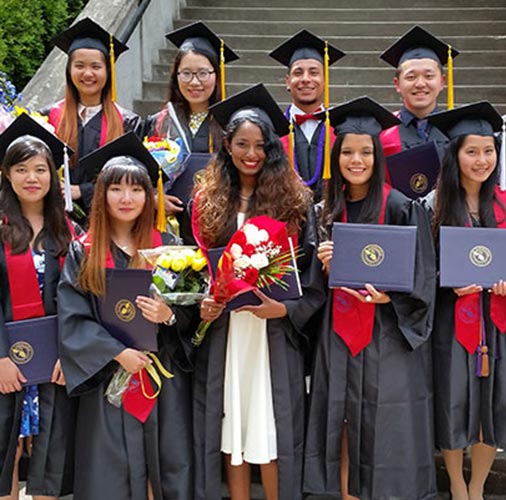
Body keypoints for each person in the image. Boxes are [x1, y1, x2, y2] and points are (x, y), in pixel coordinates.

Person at [186, 84, 325, 500]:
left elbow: (311, 275)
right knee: (232, 425)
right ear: (226, 146)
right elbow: (194, 269)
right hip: (226, 333)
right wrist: (203, 305)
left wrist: (285, 311)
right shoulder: (207, 199)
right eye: (242, 144)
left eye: (261, 145)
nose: (251, 154)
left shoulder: (295, 202)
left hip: (272, 334)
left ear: (273, 148)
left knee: (270, 426)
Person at [303, 96, 437, 500]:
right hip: (338, 334)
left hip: (386, 335)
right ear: (335, 155)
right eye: (347, 151)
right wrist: (322, 265)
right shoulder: (326, 209)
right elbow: (311, 286)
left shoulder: (399, 206)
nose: (356, 160)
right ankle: (343, 494)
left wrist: (391, 296)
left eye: (365, 151)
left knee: (384, 424)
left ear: (378, 156)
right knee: (338, 419)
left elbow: (422, 273)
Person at [57, 135, 195, 500]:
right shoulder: (83, 251)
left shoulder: (169, 247)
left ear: (151, 196)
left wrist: (169, 315)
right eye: (115, 188)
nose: (126, 198)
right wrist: (117, 353)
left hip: (161, 375)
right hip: (108, 381)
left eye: (136, 189)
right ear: (100, 196)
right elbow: (73, 318)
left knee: (169, 464)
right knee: (109, 473)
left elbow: (191, 315)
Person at [422, 101, 505, 500]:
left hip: (498, 325)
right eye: (471, 151)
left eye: (488, 150)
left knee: (492, 407)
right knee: (454, 403)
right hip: (452, 325)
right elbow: (419, 271)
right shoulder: (432, 207)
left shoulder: (505, 204)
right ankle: (456, 485)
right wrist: (445, 282)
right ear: (455, 155)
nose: (481, 159)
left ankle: (477, 486)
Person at [0, 114, 76, 500]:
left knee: (51, 452)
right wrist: (0, 358)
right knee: (5, 450)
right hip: (4, 362)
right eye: (22, 169)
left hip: (55, 362)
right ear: (7, 175)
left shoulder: (68, 230)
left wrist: (70, 351)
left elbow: (78, 299)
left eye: (40, 169)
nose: (32, 178)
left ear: (52, 176)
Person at [42, 17, 143, 217]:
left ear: (108, 71)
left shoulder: (127, 122)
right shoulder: (48, 117)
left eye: (96, 66)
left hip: (108, 219)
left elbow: (132, 179)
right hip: (54, 218)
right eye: (80, 66)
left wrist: (83, 191)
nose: (88, 73)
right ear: (69, 70)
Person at [144, 21, 239, 214]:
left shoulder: (231, 123)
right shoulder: (160, 121)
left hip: (220, 219)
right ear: (176, 76)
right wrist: (153, 198)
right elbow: (141, 174)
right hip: (170, 223)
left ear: (217, 75)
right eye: (186, 73)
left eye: (203, 73)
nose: (194, 82)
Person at [269, 30, 345, 201]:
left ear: (325, 80)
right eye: (298, 73)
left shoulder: (340, 128)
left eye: (313, 72)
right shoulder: (273, 129)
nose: (305, 79)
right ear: (287, 82)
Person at [379, 25, 459, 159]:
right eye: (411, 77)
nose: (420, 84)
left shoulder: (458, 130)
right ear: (397, 84)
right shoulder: (383, 131)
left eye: (429, 76)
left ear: (442, 82)